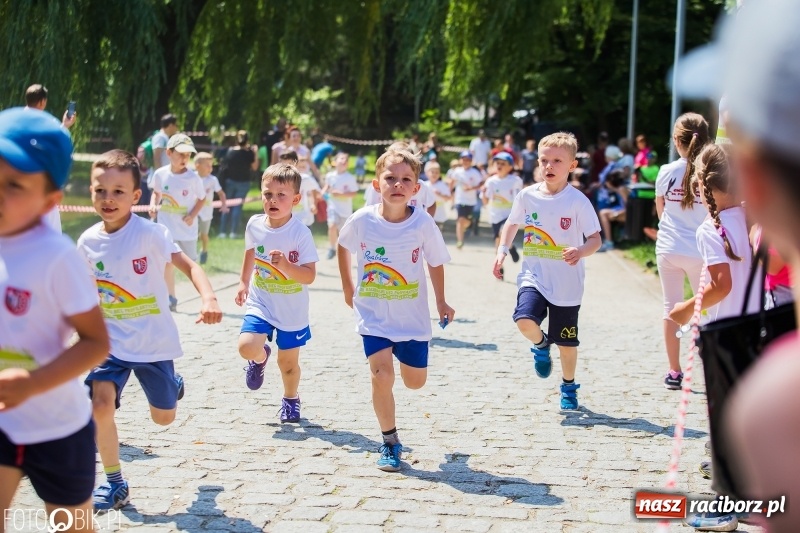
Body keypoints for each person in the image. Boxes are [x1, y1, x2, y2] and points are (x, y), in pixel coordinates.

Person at [78, 149, 221, 510]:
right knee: (100, 404)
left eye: (118, 191)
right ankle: (114, 483)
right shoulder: (87, 242)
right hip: (108, 343)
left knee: (164, 418)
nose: (108, 199)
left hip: (153, 343)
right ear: (91, 193)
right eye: (100, 191)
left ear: (136, 196)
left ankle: (172, 385)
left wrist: (208, 298)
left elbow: (190, 266)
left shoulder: (152, 234)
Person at [0, 107, 110, 530]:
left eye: (14, 184)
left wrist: (32, 384)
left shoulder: (57, 256)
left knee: (71, 527)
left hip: (58, 430)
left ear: (50, 200)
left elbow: (96, 343)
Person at [336, 145, 454, 472]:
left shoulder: (422, 224)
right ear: (377, 184)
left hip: (412, 320)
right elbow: (342, 246)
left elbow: (436, 262)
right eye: (390, 178)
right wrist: (348, 287)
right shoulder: (362, 220)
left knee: (414, 382)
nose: (397, 185)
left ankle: (405, 359)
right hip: (373, 315)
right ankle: (390, 441)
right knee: (381, 375)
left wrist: (442, 301)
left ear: (416, 189)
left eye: (405, 180)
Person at [493, 132, 601, 410]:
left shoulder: (578, 201)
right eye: (544, 160)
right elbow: (512, 224)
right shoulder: (527, 196)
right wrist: (502, 251)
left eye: (557, 161)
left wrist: (580, 251)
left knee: (567, 342)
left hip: (567, 284)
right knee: (524, 319)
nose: (549, 166)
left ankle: (568, 386)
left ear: (572, 165)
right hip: (535, 276)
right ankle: (541, 345)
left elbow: (595, 239)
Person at [235, 164, 318, 423]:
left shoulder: (300, 233)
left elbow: (310, 275)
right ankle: (260, 358)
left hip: (291, 309)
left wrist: (286, 266)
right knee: (247, 347)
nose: (272, 200)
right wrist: (243, 281)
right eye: (267, 194)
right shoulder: (255, 224)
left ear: (295, 199)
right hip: (261, 300)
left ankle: (291, 399)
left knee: (288, 363)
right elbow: (251, 251)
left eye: (281, 195)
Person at [668, 143, 758, 326]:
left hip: (731, 331)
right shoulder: (755, 220)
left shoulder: (710, 230)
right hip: (764, 324)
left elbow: (722, 286)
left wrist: (686, 309)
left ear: (701, 183)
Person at [654, 113, 710, 390]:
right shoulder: (711, 170)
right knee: (706, 308)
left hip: (669, 248)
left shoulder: (666, 171)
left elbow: (661, 210)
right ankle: (710, 366)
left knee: (670, 307)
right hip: (701, 249)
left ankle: (674, 372)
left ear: (676, 140)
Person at [149, 134, 206, 311]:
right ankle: (170, 297)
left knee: (191, 265)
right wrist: (153, 204)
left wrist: (192, 214)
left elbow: (202, 199)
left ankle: (206, 297)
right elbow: (157, 193)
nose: (184, 159)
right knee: (167, 262)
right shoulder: (160, 174)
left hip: (187, 229)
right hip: (166, 227)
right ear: (169, 152)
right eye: (180, 154)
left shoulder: (193, 178)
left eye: (188, 155)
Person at [482, 152, 523, 279]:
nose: (499, 166)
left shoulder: (515, 180)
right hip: (495, 216)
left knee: (502, 234)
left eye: (503, 164)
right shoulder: (491, 181)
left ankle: (509, 247)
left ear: (510, 166)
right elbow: (485, 201)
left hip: (509, 216)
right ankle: (500, 267)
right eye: (497, 163)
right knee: (498, 243)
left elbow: (519, 198)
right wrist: (483, 194)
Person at [218, 130, 258, 238]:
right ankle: (233, 232)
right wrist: (255, 152)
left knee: (225, 205)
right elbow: (255, 167)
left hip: (230, 181)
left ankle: (222, 231)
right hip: (243, 182)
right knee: (237, 207)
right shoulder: (249, 153)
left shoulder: (230, 151)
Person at [194, 152, 229, 264]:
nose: (210, 168)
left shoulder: (212, 180)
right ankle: (191, 255)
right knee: (192, 234)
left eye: (211, 165)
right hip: (193, 211)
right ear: (197, 165)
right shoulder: (191, 178)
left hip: (206, 212)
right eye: (207, 165)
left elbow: (221, 194)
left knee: (203, 234)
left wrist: (224, 205)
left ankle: (204, 250)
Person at [322, 152, 358, 260]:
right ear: (335, 161)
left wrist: (341, 194)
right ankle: (332, 248)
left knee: (343, 233)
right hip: (333, 207)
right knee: (332, 226)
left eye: (346, 160)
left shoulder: (350, 178)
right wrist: (323, 192)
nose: (344, 161)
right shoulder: (330, 176)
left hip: (345, 210)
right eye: (341, 159)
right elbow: (327, 187)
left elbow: (354, 193)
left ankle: (343, 251)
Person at [449, 151, 483, 249]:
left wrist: (471, 188)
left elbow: (481, 183)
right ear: (461, 160)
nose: (466, 162)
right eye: (464, 159)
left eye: (468, 160)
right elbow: (452, 182)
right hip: (460, 199)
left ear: (471, 161)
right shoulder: (457, 171)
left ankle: (469, 224)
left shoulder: (475, 172)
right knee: (460, 220)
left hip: (471, 201)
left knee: (466, 220)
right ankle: (460, 241)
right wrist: (451, 193)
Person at [596, 170, 630, 252]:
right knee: (603, 212)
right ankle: (609, 240)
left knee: (603, 213)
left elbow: (629, 207)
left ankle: (609, 242)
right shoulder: (617, 189)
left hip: (627, 214)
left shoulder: (622, 189)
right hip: (622, 211)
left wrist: (617, 213)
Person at [293, 155, 322, 228]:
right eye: (300, 166)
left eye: (304, 167)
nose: (302, 169)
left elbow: (315, 190)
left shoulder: (307, 178)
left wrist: (314, 204)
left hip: (305, 215)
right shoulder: (288, 178)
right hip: (291, 214)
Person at [426, 161, 451, 230]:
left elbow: (448, 198)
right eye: (432, 172)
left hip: (439, 216)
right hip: (426, 216)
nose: (434, 174)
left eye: (436, 172)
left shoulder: (442, 185)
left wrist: (440, 194)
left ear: (439, 174)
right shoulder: (425, 185)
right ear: (427, 173)